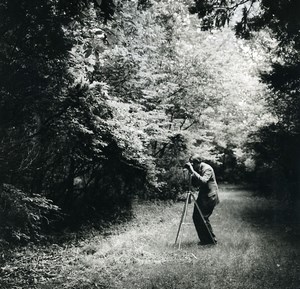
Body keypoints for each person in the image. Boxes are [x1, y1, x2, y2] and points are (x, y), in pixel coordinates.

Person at [185, 154, 220, 245]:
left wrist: (192, 171)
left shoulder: (207, 169)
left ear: (198, 163)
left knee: (203, 217)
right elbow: (195, 184)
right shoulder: (197, 168)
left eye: (193, 164)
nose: (192, 166)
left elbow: (203, 181)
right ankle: (204, 240)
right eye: (191, 164)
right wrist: (189, 174)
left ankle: (212, 241)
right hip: (203, 195)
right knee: (196, 217)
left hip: (210, 196)